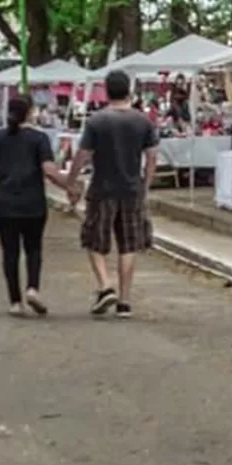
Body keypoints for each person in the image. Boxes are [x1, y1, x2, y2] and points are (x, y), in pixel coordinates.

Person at [67, 69, 159, 318]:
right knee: (128, 245)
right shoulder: (143, 122)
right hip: (132, 190)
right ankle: (125, 301)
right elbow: (151, 157)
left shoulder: (97, 121)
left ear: (106, 90)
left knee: (94, 239)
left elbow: (83, 154)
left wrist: (71, 182)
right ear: (129, 90)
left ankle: (106, 285)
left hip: (102, 189)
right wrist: (146, 185)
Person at [0, 96, 77, 317]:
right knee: (34, 248)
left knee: (10, 252)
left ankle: (15, 301)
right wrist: (69, 186)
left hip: (3, 204)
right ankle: (32, 288)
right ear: (31, 112)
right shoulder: (39, 139)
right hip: (32, 203)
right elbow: (50, 171)